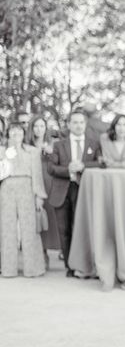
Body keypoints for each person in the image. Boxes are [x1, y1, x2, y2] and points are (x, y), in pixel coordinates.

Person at [48, 109, 101, 278]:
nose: (78, 125)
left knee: (80, 226)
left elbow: (100, 164)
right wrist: (68, 169)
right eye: (75, 122)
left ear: (85, 124)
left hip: (84, 189)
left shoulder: (94, 143)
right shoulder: (58, 145)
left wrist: (83, 166)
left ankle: (82, 263)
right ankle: (69, 266)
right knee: (64, 229)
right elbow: (51, 168)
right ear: (69, 125)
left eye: (81, 122)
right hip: (62, 189)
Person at [0, 122, 47, 277]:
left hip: (27, 187)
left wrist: (39, 196)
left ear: (23, 133)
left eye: (19, 130)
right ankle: (8, 268)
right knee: (7, 229)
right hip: (7, 188)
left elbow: (37, 174)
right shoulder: (2, 151)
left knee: (30, 228)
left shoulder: (32, 151)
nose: (16, 133)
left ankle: (33, 268)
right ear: (8, 133)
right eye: (12, 130)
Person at [26, 116, 59, 268]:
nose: (39, 129)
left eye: (42, 126)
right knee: (35, 218)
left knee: (47, 219)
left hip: (49, 183)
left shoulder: (52, 144)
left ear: (46, 128)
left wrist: (50, 152)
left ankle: (51, 250)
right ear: (32, 128)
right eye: (36, 126)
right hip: (32, 183)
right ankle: (40, 253)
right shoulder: (26, 145)